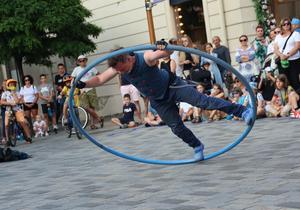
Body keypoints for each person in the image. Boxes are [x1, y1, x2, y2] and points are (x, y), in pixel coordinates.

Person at [76, 42, 254, 161]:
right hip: (158, 99)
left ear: (127, 59)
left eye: (120, 68)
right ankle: (197, 146)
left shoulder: (144, 57)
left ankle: (243, 111)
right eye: (116, 69)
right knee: (176, 127)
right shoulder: (119, 67)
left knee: (203, 102)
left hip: (172, 86)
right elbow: (99, 80)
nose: (118, 71)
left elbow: (165, 52)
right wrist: (83, 83)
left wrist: (165, 47)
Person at [71, 55, 104, 129]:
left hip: (91, 89)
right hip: (82, 90)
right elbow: (72, 79)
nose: (82, 62)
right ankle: (99, 118)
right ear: (78, 62)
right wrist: (72, 88)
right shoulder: (76, 69)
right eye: (80, 61)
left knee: (92, 107)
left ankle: (92, 124)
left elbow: (99, 75)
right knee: (85, 106)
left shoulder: (91, 67)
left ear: (86, 60)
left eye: (83, 60)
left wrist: (96, 81)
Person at [1, 79, 32, 144]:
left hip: (17, 109)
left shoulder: (18, 93)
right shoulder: (5, 93)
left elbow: (18, 101)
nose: (12, 85)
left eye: (13, 84)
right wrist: (9, 103)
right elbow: (1, 102)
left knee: (22, 122)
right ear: (8, 85)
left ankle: (28, 137)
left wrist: (13, 93)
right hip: (9, 109)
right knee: (6, 124)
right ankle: (7, 139)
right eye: (10, 84)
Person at [274, 18, 300, 92]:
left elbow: (297, 46)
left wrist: (287, 55)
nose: (286, 25)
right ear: (281, 26)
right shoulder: (278, 36)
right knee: (284, 82)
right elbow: (275, 49)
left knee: (294, 81)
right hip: (282, 62)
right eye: (284, 24)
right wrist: (281, 55)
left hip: (294, 61)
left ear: (290, 25)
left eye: (288, 23)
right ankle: (287, 100)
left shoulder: (296, 34)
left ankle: (297, 100)